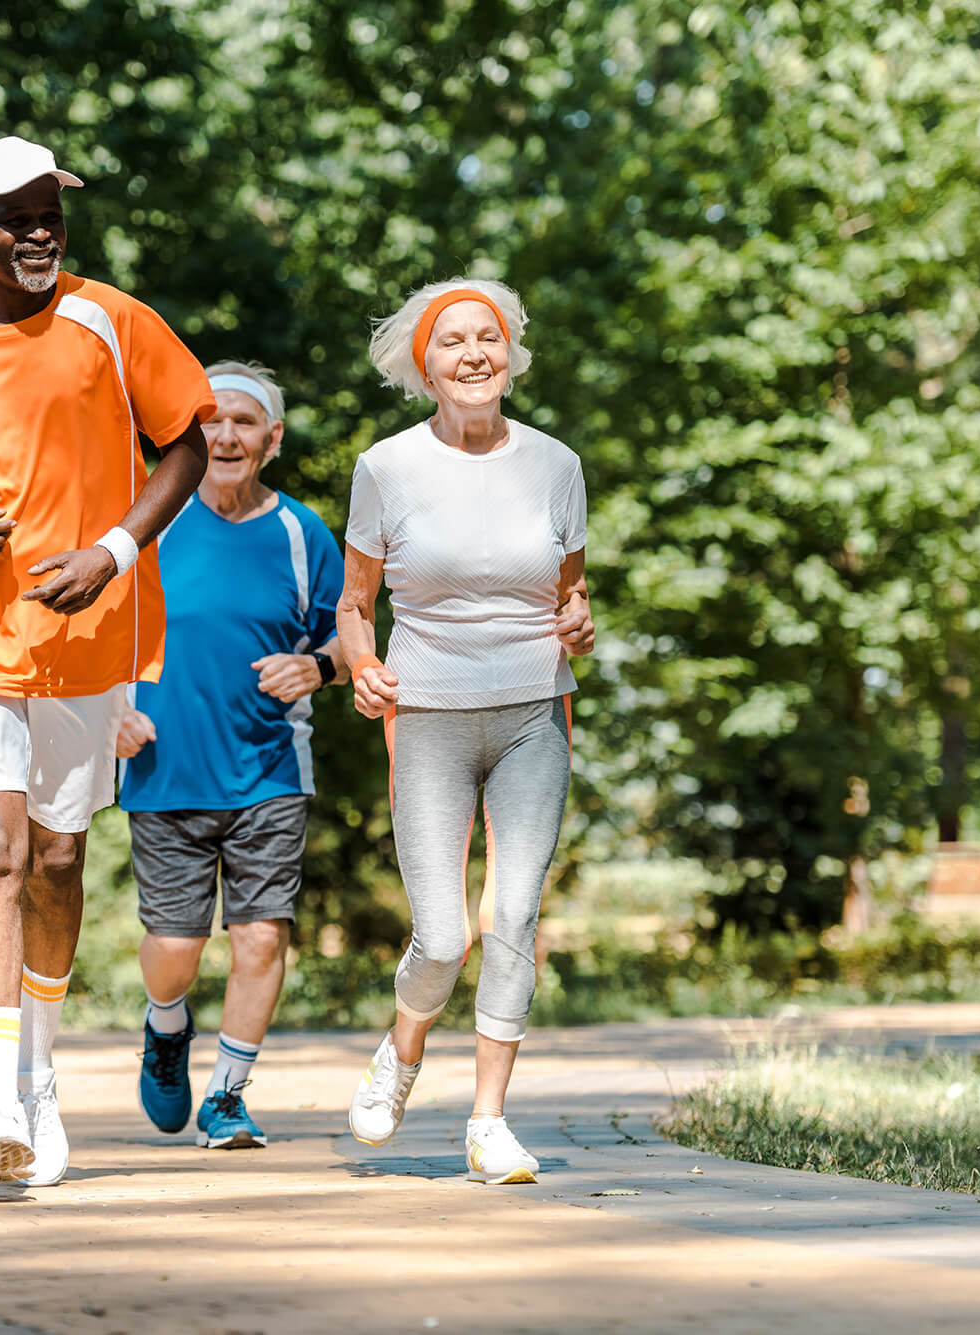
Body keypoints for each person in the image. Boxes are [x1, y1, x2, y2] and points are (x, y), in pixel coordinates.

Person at [0, 136, 213, 1185]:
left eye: (49, 211)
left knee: (59, 857)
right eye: (11, 215)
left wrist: (113, 550)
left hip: (89, 631)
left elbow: (186, 441)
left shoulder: (113, 321)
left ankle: (44, 1074)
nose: (37, 230)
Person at [336, 280, 596, 1185]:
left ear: (511, 354)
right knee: (443, 936)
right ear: (426, 363)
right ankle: (402, 1053)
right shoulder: (387, 467)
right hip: (432, 712)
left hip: (534, 710)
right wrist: (363, 666)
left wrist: (578, 620)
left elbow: (570, 589)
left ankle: (488, 1123)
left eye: (490, 337)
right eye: (453, 341)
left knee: (515, 916)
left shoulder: (557, 464)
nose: (474, 353)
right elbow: (355, 604)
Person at [115, 361, 345, 1150]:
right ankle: (167, 1024)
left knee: (261, 937)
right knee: (175, 950)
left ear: (272, 439)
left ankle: (228, 1095)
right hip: (163, 767)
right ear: (189, 434)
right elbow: (95, 622)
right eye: (210, 420)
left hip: (270, 768)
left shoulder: (300, 532)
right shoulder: (153, 521)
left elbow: (347, 635)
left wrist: (317, 665)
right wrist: (111, 707)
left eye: (245, 422)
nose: (226, 435)